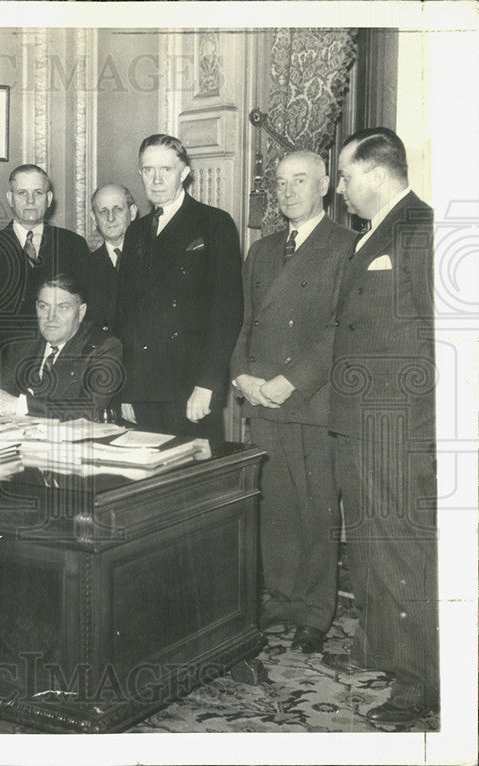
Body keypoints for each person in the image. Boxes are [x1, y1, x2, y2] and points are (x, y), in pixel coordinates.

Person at [309, 128, 436, 725]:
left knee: (400, 555)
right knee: (370, 551)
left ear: (378, 173)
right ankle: (390, 656)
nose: (340, 188)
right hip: (357, 424)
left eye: (345, 175)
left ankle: (420, 686)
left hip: (395, 429)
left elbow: (445, 340)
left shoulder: (419, 228)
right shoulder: (372, 234)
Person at [229, 150, 358, 653]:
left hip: (311, 401)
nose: (287, 191)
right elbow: (244, 321)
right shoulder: (261, 250)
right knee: (274, 505)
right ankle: (280, 597)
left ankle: (313, 611)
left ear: (324, 185)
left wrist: (291, 381)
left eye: (299, 180)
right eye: (280, 182)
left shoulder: (347, 246)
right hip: (261, 398)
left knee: (314, 508)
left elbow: (339, 330)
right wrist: (240, 375)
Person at [114, 134, 243, 441]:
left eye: (166, 170)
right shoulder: (136, 232)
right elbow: (126, 314)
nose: (156, 179)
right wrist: (127, 389)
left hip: (190, 388)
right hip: (144, 388)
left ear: (184, 173)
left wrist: (207, 385)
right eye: (148, 170)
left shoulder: (214, 223)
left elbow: (227, 312)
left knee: (194, 480)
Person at [0, 164, 91, 384]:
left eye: (38, 193)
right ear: (10, 198)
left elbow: (83, 316)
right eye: (22, 193)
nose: (30, 201)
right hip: (0, 371)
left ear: (49, 198)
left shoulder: (73, 245)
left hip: (58, 371)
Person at [0, 275, 122, 422]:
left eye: (62, 308)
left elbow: (90, 409)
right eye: (44, 307)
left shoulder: (104, 347)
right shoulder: (22, 346)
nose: (51, 317)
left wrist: (19, 405)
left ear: (81, 312)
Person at [79, 183, 138, 333]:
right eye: (103, 211)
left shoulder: (152, 258)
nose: (110, 218)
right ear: (94, 218)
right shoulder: (83, 268)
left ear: (132, 212)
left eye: (118, 209)